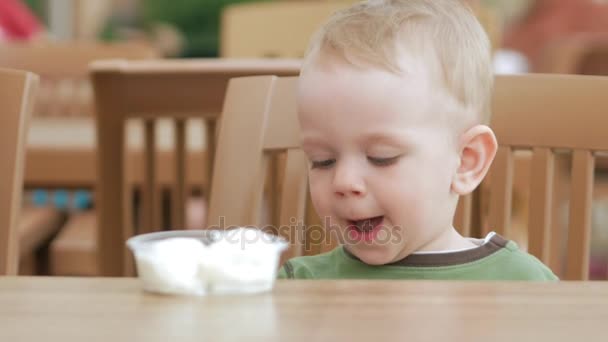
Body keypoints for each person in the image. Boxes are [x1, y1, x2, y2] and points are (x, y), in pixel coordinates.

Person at [278, 0, 557, 280]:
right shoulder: (302, 283)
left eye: (381, 157)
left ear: (466, 162)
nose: (344, 182)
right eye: (322, 161)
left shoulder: (520, 282)